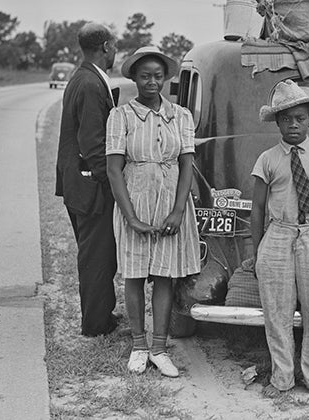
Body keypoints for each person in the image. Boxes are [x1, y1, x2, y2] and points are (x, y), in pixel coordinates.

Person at [106, 46, 201, 377]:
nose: (151, 82)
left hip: (170, 202)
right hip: (136, 198)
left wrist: (177, 210)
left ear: (166, 79)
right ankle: (139, 345)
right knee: (134, 274)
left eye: (158, 76)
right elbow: (114, 170)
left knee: (164, 274)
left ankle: (159, 348)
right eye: (145, 76)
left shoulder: (181, 116)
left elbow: (187, 163)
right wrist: (131, 217)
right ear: (133, 77)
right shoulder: (121, 116)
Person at [250, 80, 309, 398]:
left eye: (300, 118)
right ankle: (282, 377)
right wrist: (257, 251)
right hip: (277, 236)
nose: (293, 124)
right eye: (286, 118)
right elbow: (258, 208)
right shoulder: (268, 159)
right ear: (277, 122)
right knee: (277, 312)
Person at [55, 23, 120, 337]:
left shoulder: (83, 77)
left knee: (98, 252)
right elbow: (94, 144)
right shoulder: (91, 83)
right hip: (90, 186)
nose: (116, 51)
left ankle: (102, 315)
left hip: (79, 183)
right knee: (97, 256)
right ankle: (96, 325)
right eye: (115, 46)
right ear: (106, 46)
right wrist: (112, 184)